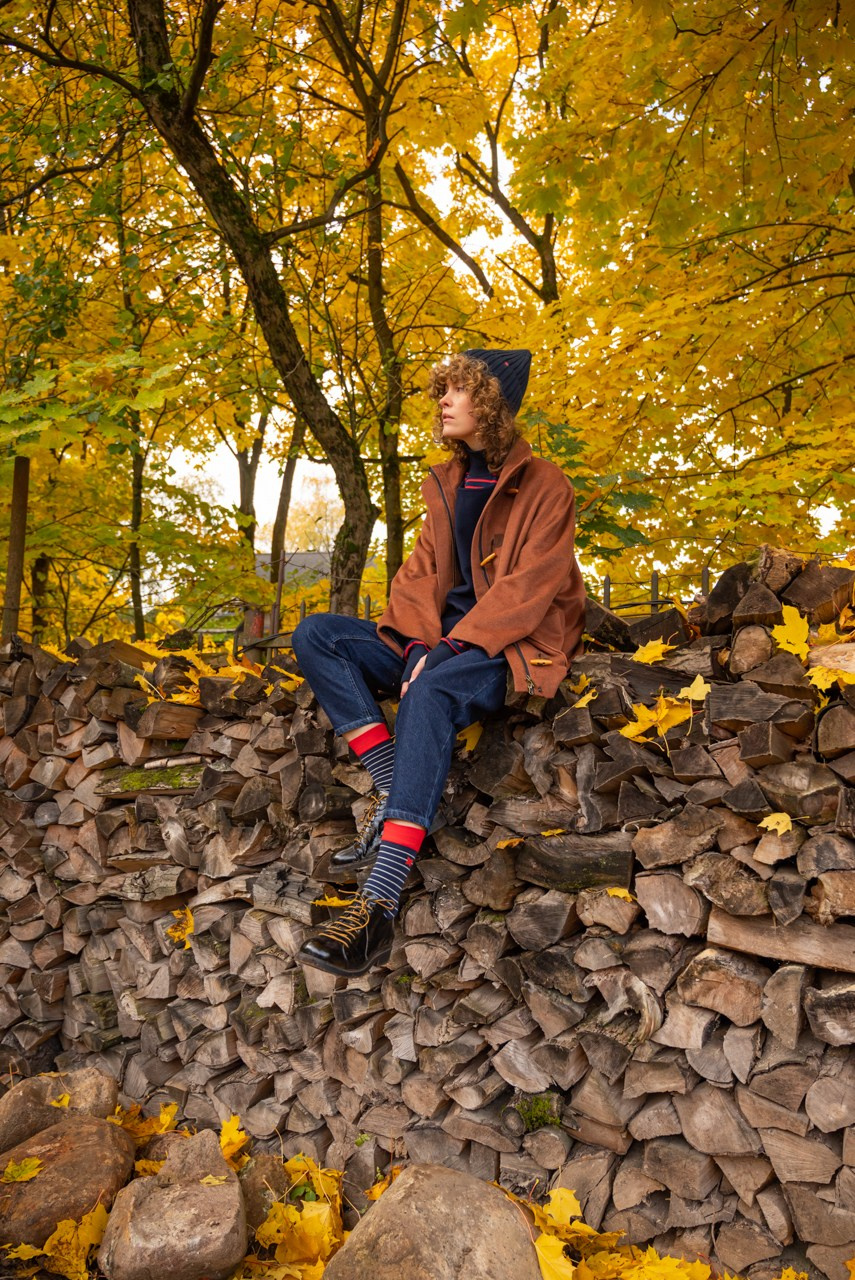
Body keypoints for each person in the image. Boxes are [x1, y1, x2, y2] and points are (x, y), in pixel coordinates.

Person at [291, 348, 586, 977]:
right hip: (440, 645)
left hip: (507, 644)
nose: (443, 401)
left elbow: (529, 589)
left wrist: (449, 650)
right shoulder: (445, 481)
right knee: (318, 635)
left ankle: (377, 908)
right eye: (441, 390)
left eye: (458, 390)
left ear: (491, 401)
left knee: (427, 695)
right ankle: (397, 780)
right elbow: (419, 574)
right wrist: (422, 645)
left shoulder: (547, 486)